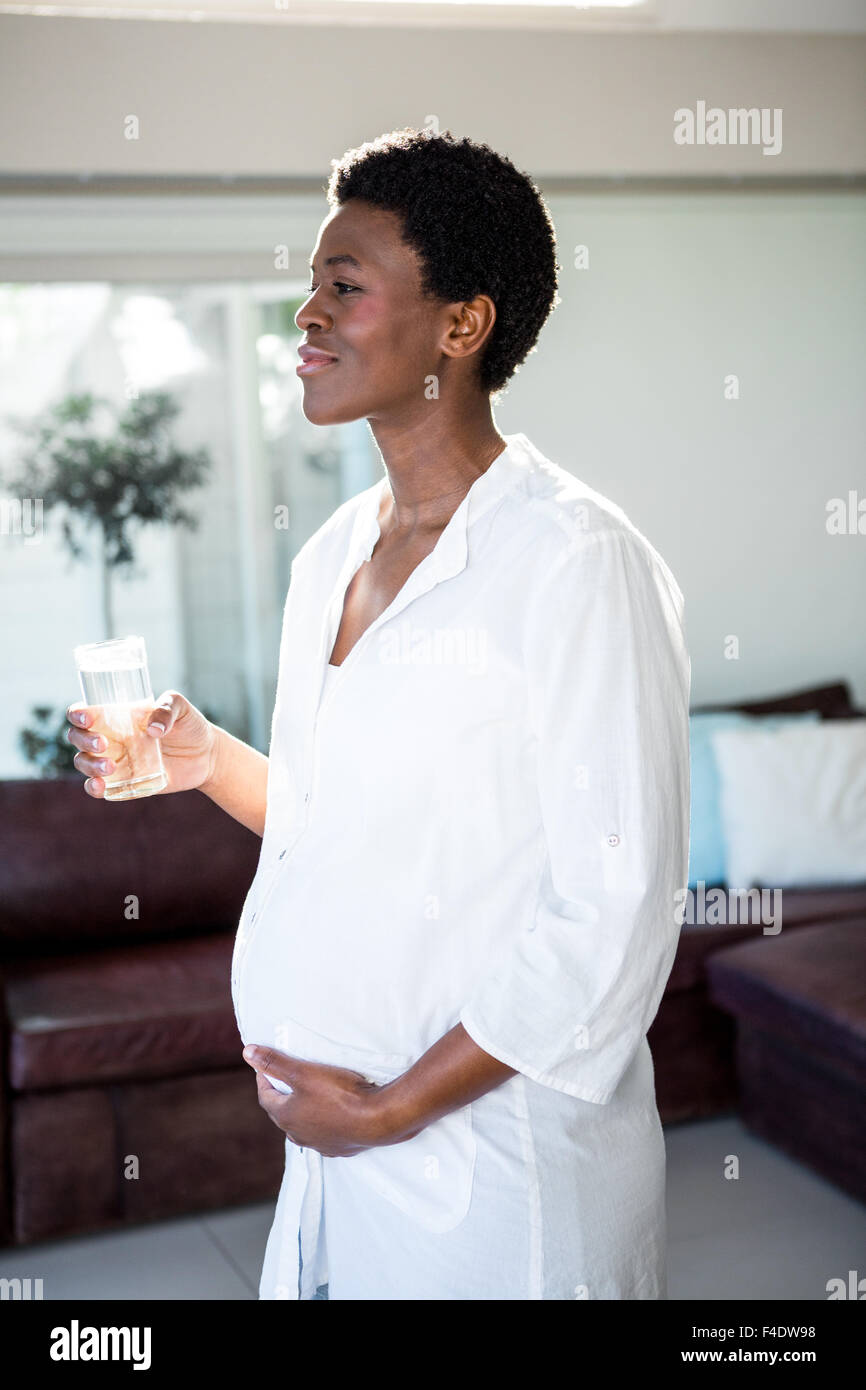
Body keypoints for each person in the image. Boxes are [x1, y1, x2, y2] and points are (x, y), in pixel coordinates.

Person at [67, 128, 691, 1301]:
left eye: (342, 287)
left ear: (461, 326)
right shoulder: (331, 557)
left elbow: (611, 913)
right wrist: (204, 760)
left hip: (493, 1178)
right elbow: (329, 820)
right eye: (308, 285)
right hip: (335, 1160)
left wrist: (392, 1106)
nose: (302, 315)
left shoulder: (573, 562)